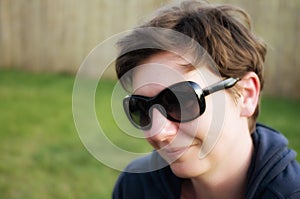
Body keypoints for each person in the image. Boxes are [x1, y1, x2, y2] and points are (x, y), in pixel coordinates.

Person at [112, 1, 300, 198]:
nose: (158, 133)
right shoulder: (135, 187)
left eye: (181, 101)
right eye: (141, 107)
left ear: (246, 94)